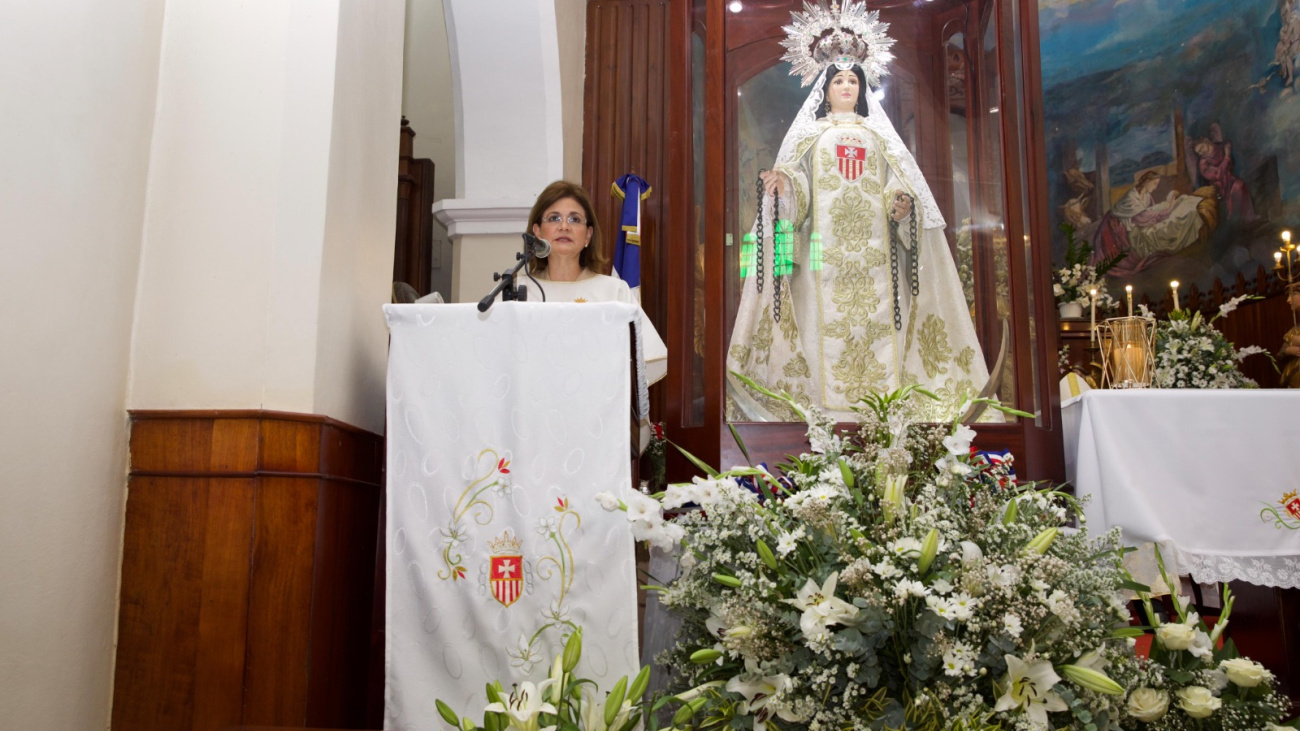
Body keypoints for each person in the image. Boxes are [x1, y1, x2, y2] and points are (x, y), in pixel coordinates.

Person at [726, 44, 994, 423]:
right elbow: (798, 192)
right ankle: (821, 423)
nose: (847, 86)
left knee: (884, 342)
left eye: (853, 79)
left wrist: (902, 205)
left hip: (877, 269)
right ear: (825, 89)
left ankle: (884, 420)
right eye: (839, 80)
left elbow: (897, 185)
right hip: (824, 268)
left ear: (863, 88)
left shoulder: (879, 138)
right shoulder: (811, 136)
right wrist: (785, 184)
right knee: (821, 338)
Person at [518, 180, 667, 386]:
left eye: (574, 219)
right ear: (537, 231)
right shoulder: (517, 291)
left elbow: (643, 364)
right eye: (554, 218)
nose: (564, 226)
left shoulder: (614, 291)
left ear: (588, 234)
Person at [1281, 283, 1300, 389]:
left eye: (1293, 295)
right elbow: (1281, 352)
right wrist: (1288, 350)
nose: (1288, 300)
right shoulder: (1294, 330)